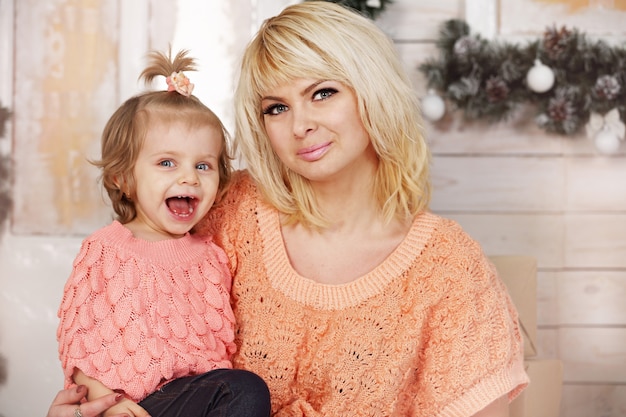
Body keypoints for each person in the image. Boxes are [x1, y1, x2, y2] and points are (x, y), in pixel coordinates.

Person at [49, 2, 528, 416]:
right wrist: (84, 404)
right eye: (275, 108)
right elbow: (118, 308)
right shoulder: (223, 207)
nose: (300, 125)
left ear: (373, 91)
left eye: (323, 93)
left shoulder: (448, 267)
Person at [55, 49, 270, 417]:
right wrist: (109, 404)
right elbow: (81, 343)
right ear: (122, 178)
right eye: (167, 163)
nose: (189, 177)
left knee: (245, 390)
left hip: (193, 399)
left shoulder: (212, 255)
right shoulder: (105, 251)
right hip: (130, 405)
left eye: (203, 165)